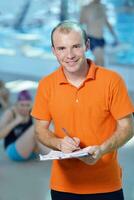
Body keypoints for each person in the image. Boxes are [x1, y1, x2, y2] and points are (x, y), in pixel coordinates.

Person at [31, 21, 134, 200]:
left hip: (107, 185)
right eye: (62, 48)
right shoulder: (46, 85)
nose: (69, 55)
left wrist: (102, 149)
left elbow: (128, 127)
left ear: (87, 45)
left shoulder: (112, 81)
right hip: (63, 186)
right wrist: (59, 144)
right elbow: (40, 130)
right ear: (54, 51)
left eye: (76, 46)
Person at [0, 90, 37, 161]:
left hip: (33, 152)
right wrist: (15, 122)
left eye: (27, 105)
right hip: (14, 151)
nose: (25, 108)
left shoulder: (33, 111)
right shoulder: (10, 113)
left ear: (31, 105)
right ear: (16, 104)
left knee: (43, 124)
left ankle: (58, 154)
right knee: (37, 127)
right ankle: (57, 156)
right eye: (22, 105)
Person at [80, 0, 118, 66]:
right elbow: (81, 23)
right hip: (92, 38)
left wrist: (114, 36)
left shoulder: (103, 7)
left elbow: (107, 23)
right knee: (100, 59)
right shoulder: (86, 8)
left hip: (101, 39)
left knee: (100, 63)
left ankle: (89, 74)